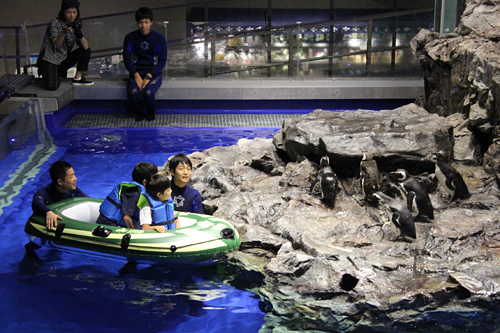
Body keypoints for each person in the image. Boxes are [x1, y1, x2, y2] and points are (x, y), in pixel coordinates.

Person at [123, 7, 167, 122]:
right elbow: (127, 60)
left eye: (146, 22)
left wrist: (149, 76)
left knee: (147, 93)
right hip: (136, 71)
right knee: (133, 92)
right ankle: (139, 112)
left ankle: (151, 113)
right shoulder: (130, 38)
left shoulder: (159, 39)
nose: (144, 26)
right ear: (137, 23)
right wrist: (136, 75)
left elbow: (162, 61)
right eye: (141, 22)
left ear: (151, 22)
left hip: (153, 72)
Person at [37, 0, 93, 90]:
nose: (72, 15)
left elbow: (85, 47)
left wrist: (79, 35)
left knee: (86, 51)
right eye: (68, 12)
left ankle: (77, 78)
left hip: (63, 58)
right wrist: (64, 33)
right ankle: (49, 73)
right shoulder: (55, 23)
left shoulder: (76, 24)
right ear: (63, 12)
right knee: (53, 86)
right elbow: (57, 45)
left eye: (74, 12)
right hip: (50, 59)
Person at [96, 162, 157, 229]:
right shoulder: (133, 193)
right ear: (145, 182)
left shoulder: (136, 190)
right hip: (108, 223)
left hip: (112, 222)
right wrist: (133, 232)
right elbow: (127, 218)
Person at [32, 160, 88, 230]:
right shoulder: (44, 192)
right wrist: (48, 212)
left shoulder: (73, 190)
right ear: (60, 181)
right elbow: (36, 203)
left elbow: (88, 200)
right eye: (71, 176)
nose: (75, 179)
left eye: (74, 175)